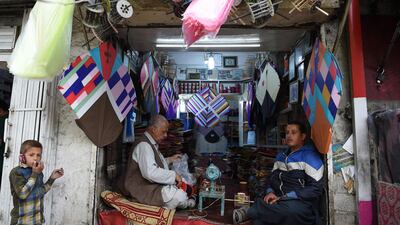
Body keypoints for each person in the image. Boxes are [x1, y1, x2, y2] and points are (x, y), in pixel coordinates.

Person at [246, 120, 324, 225]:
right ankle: (258, 210)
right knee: (259, 221)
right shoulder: (281, 156)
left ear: (303, 136)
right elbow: (271, 179)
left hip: (301, 203)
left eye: (294, 132)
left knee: (287, 211)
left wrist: (288, 196)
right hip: (279, 200)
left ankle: (252, 211)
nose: (289, 135)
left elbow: (315, 189)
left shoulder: (310, 157)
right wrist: (270, 192)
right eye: (287, 132)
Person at [117, 115, 195, 209]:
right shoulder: (144, 145)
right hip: (142, 189)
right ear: (153, 129)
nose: (165, 135)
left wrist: (170, 160)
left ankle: (185, 201)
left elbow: (153, 163)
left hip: (150, 186)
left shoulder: (152, 144)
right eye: (163, 132)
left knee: (182, 184)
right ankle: (187, 203)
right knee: (179, 197)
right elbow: (150, 173)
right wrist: (173, 175)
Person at [9, 140, 64, 225]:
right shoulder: (17, 172)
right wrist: (34, 174)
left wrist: (52, 178)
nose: (35, 158)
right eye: (31, 155)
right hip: (22, 221)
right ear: (22, 157)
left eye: (38, 155)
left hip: (37, 220)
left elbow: (40, 192)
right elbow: (22, 194)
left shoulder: (38, 173)